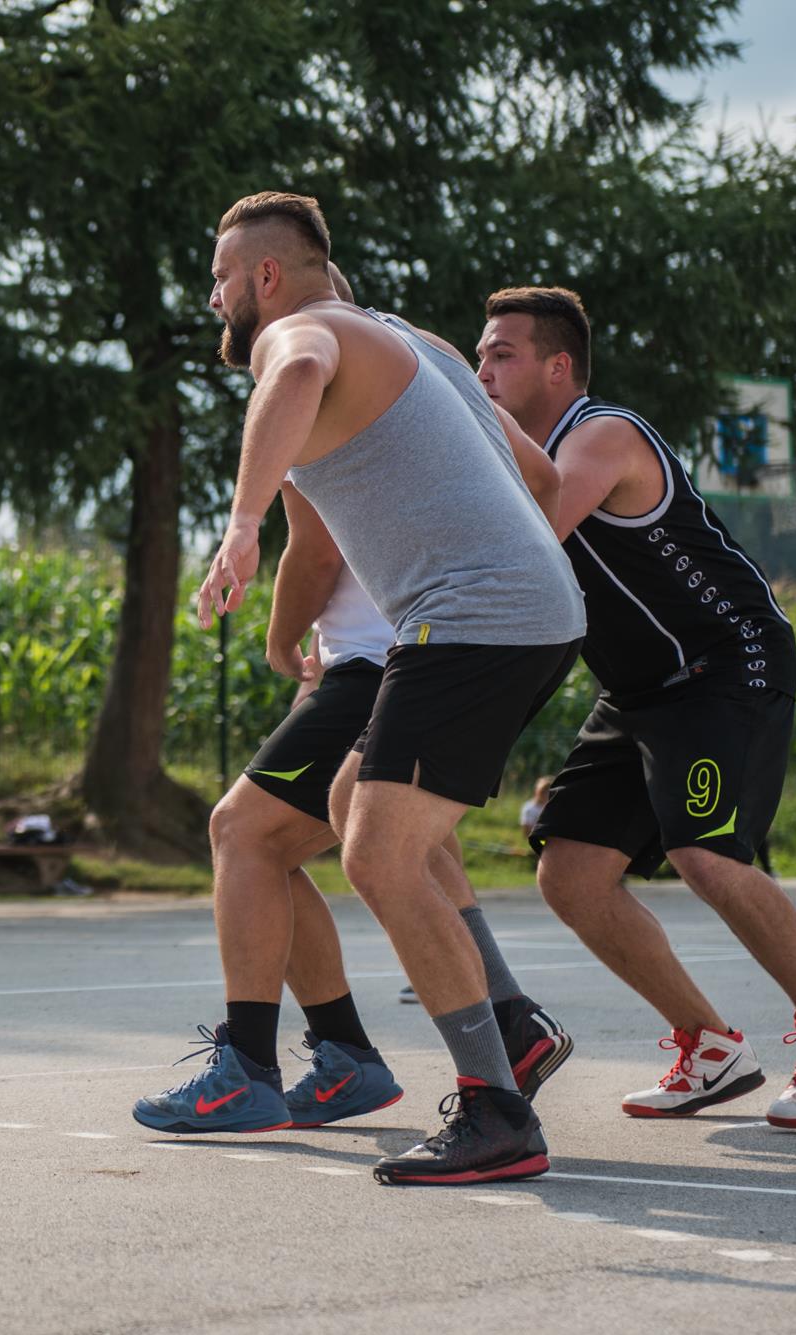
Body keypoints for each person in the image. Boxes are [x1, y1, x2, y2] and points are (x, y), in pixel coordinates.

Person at [193, 192, 586, 1185]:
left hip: (471, 617)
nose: (215, 300)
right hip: (512, 609)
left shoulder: (300, 335)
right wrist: (512, 565)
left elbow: (295, 370)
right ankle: (509, 1028)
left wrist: (241, 524)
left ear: (266, 276)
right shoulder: (422, 345)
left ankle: (496, 1111)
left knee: (377, 852)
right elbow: (542, 481)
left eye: (221, 280)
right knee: (350, 806)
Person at [476, 285, 796, 1128]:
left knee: (706, 853)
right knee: (570, 872)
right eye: (478, 355)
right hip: (639, 691)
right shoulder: (524, 456)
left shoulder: (601, 434)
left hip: (726, 663)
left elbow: (531, 536)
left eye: (501, 355)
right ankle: (710, 1045)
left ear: (558, 367)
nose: (482, 371)